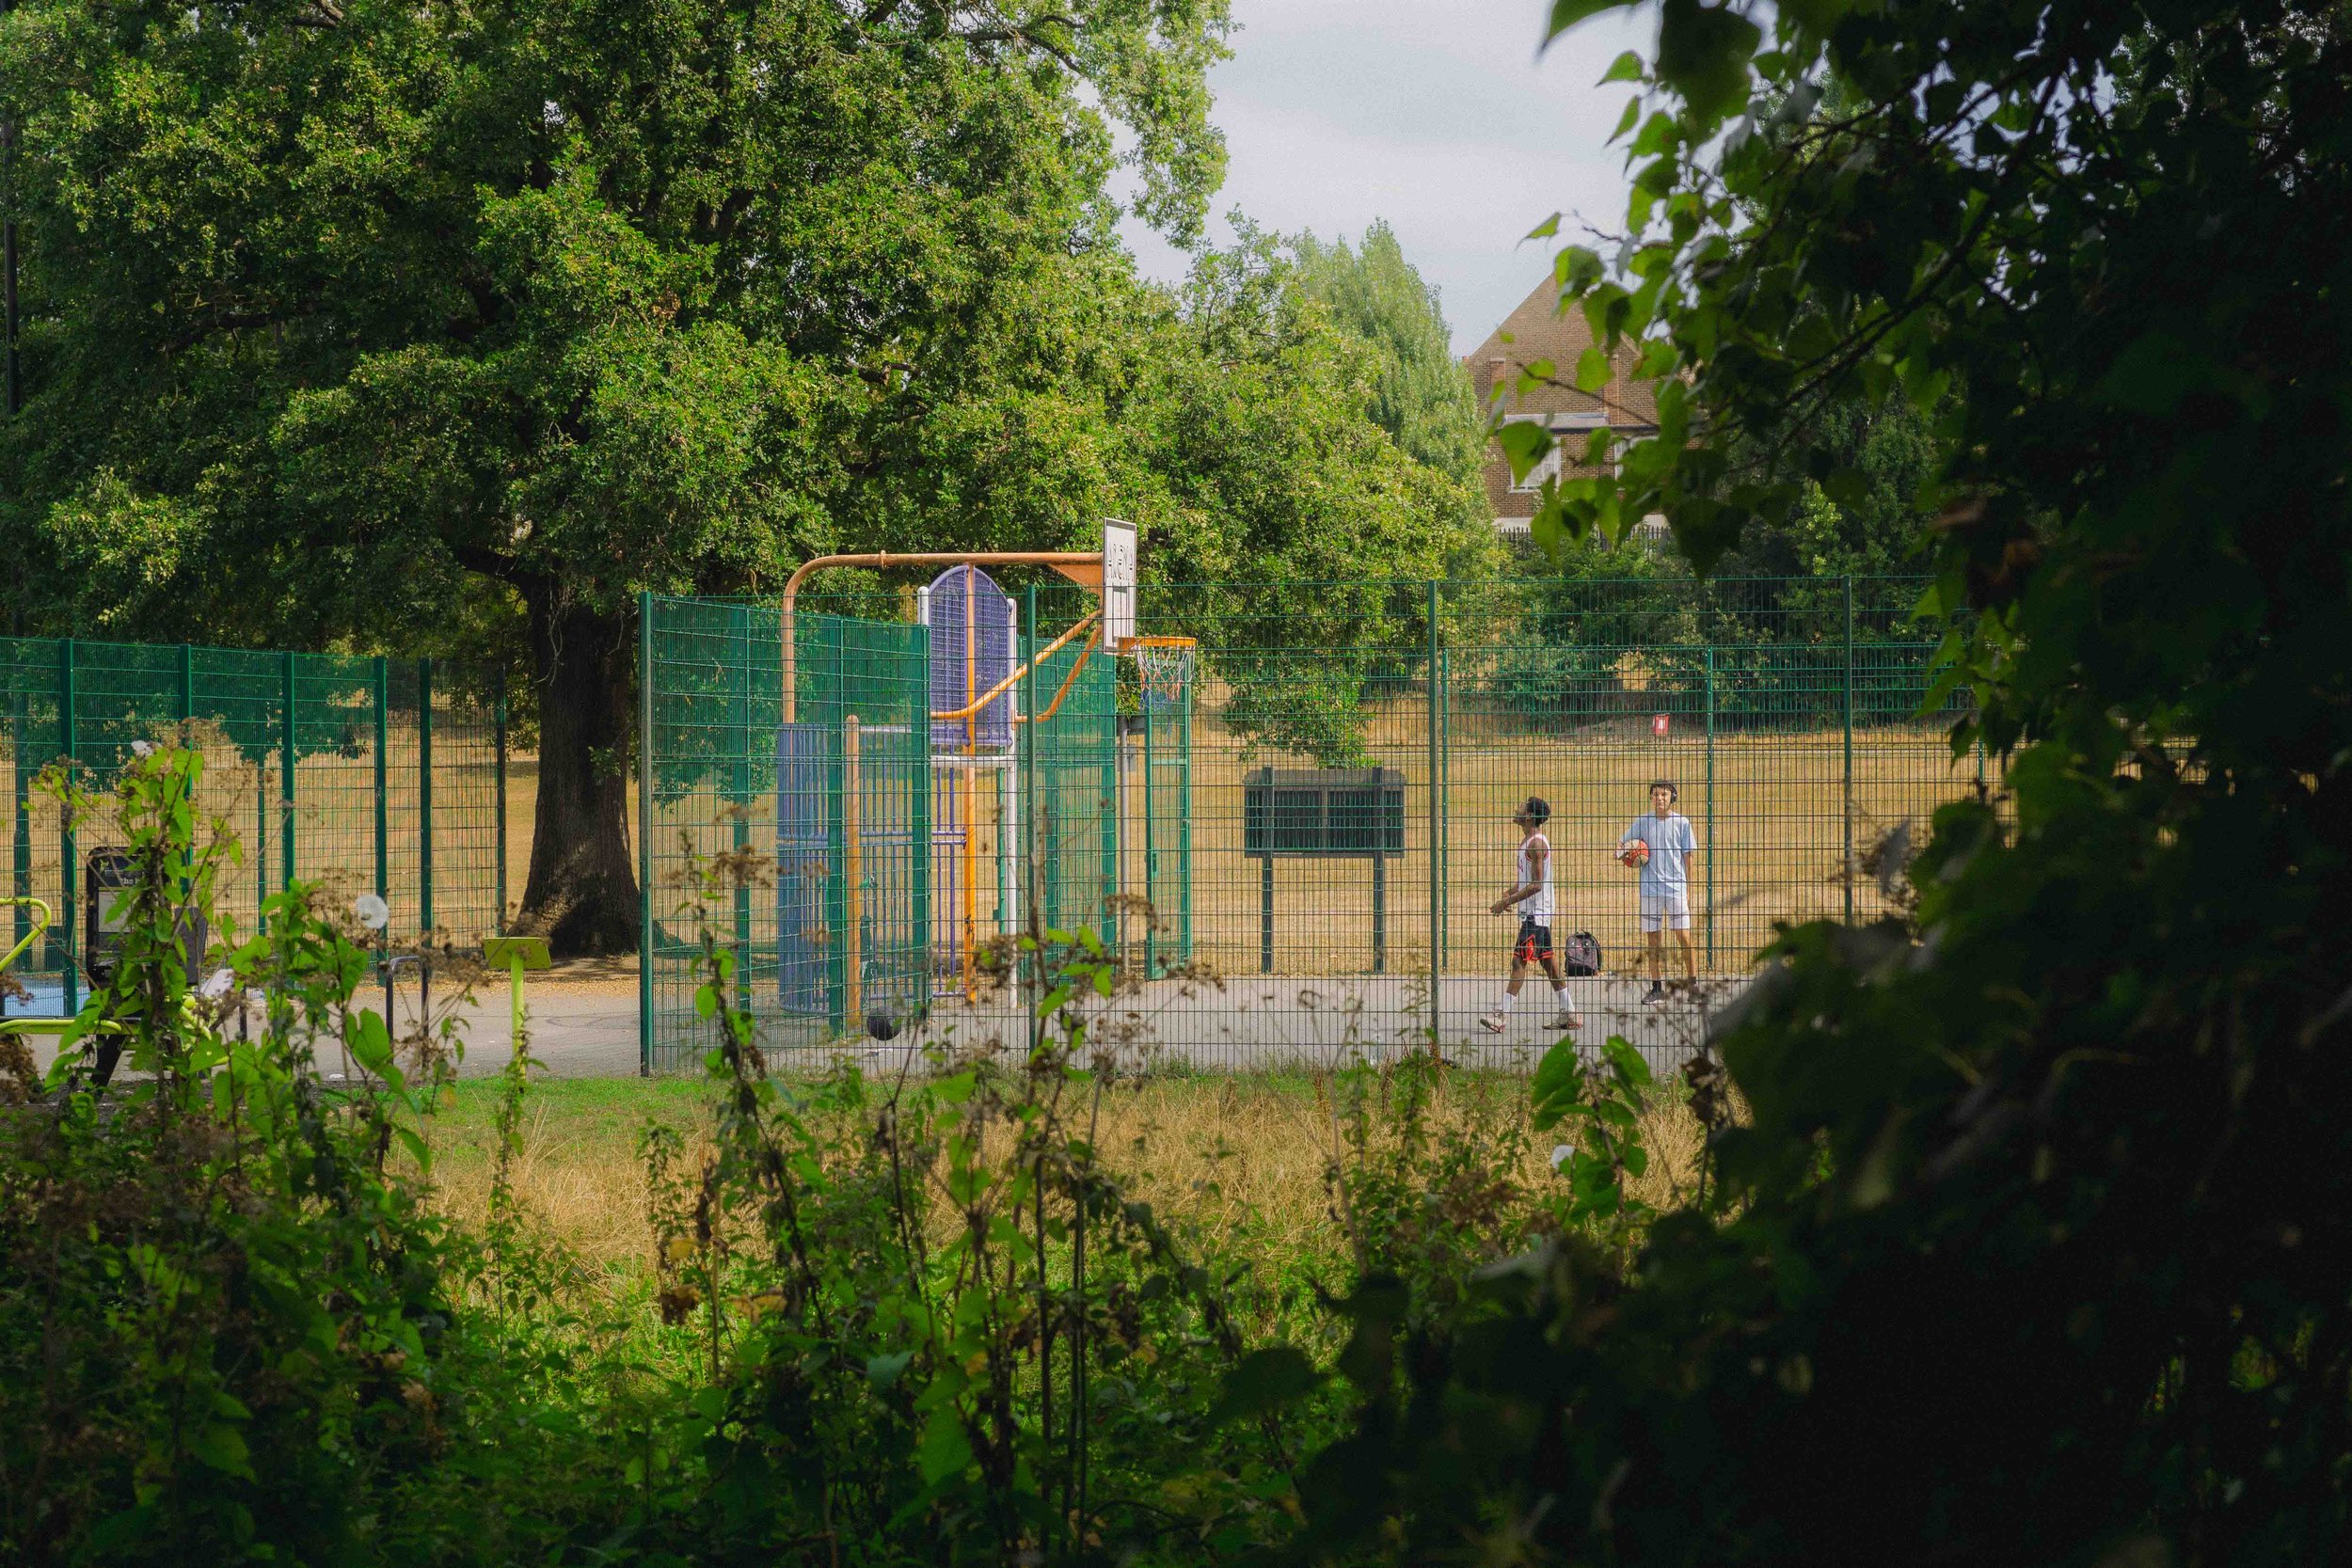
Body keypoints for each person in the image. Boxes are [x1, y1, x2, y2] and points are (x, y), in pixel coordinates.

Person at [1480, 796, 1582, 1035]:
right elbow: (1527, 880)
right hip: (1535, 913)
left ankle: (1500, 1016)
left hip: (1536, 914)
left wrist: (1507, 901)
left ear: (1529, 816)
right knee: (1549, 964)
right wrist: (1511, 891)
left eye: (1522, 806)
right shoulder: (1528, 841)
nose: (1517, 808)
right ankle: (1570, 1013)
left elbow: (1536, 884)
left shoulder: (1537, 844)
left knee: (1519, 961)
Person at [1619, 779, 1700, 1004]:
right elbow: (1621, 846)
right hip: (1649, 890)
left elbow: (1688, 856)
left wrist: (1688, 888)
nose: (1659, 798)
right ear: (1651, 798)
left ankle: (1693, 983)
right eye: (1655, 794)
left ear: (1672, 797)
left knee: (1683, 936)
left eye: (1664, 794)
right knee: (1653, 939)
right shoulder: (1642, 821)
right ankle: (1657, 988)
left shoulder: (1682, 822)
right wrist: (1629, 854)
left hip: (1675, 888)